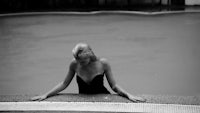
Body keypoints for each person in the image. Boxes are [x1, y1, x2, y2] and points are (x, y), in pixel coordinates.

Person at [31, 43, 146, 102]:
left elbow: (114, 86)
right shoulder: (74, 64)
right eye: (77, 60)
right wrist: (46, 94)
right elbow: (64, 84)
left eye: (82, 61)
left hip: (104, 99)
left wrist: (129, 95)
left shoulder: (103, 63)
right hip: (83, 100)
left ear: (90, 55)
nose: (79, 63)